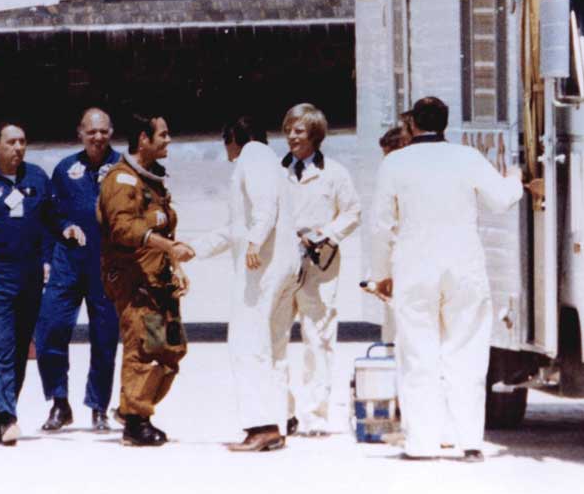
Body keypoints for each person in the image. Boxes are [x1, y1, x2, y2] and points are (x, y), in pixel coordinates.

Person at [370, 96, 523, 461]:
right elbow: (502, 200)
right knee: (466, 351)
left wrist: (382, 274)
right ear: (445, 123)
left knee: (418, 354)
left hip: (414, 267)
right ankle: (470, 441)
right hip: (462, 266)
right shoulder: (467, 158)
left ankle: (421, 443)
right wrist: (516, 179)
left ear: (413, 125)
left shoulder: (395, 162)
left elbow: (380, 225)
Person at [0, 122, 85, 445]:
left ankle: (0, 413)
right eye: (11, 142)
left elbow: (52, 217)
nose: (18, 148)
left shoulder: (37, 178)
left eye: (22, 142)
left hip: (30, 274)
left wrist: (67, 229)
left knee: (19, 350)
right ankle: (7, 416)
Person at [192, 116, 301, 452]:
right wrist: (193, 249)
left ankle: (262, 426)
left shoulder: (252, 157)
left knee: (246, 343)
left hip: (263, 268)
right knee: (273, 347)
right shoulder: (271, 163)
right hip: (281, 267)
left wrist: (255, 242)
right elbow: (234, 228)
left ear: (233, 139)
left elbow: (263, 208)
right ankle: (277, 421)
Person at [97, 113, 194, 446]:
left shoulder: (153, 181)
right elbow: (124, 228)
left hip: (160, 280)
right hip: (135, 282)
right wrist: (168, 246)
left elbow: (165, 225)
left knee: (171, 347)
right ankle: (136, 419)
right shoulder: (121, 181)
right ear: (143, 139)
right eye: (162, 135)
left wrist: (175, 265)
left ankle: (131, 407)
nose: (168, 141)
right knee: (144, 346)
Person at [35, 108, 121, 433]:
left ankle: (99, 406)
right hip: (68, 263)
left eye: (103, 131)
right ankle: (59, 402)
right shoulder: (65, 169)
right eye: (91, 131)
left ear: (111, 131)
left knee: (104, 338)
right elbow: (50, 216)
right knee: (50, 329)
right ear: (80, 133)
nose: (97, 137)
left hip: (107, 266)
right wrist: (66, 227)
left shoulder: (122, 169)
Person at [279, 102, 361, 435]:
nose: (291, 137)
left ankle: (316, 414)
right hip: (283, 264)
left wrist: (323, 234)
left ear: (314, 134)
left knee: (318, 337)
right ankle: (282, 411)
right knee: (277, 338)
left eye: (298, 131)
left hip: (319, 264)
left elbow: (352, 213)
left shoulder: (336, 173)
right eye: (288, 130)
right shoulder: (276, 171)